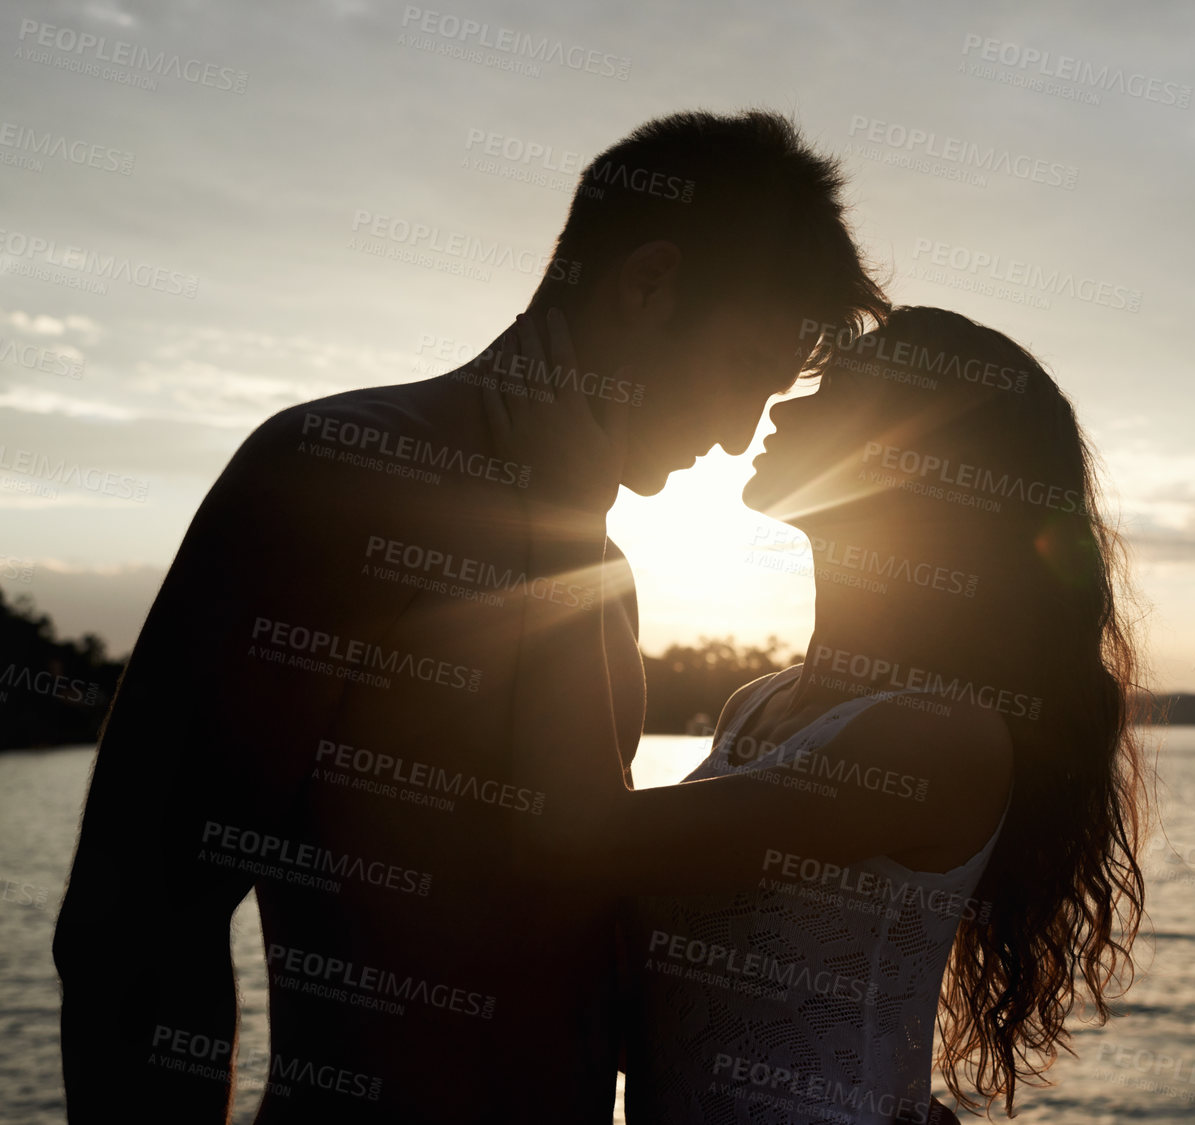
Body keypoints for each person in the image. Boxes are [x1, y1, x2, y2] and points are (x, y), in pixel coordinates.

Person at [52, 109, 888, 1123]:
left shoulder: (602, 570)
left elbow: (563, 920)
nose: (733, 435)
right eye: (741, 375)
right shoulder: (347, 475)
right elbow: (141, 918)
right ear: (648, 284)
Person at [483, 306, 1152, 1121]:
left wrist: (568, 511)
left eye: (835, 394)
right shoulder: (756, 705)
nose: (783, 408)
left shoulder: (936, 737)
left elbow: (573, 838)